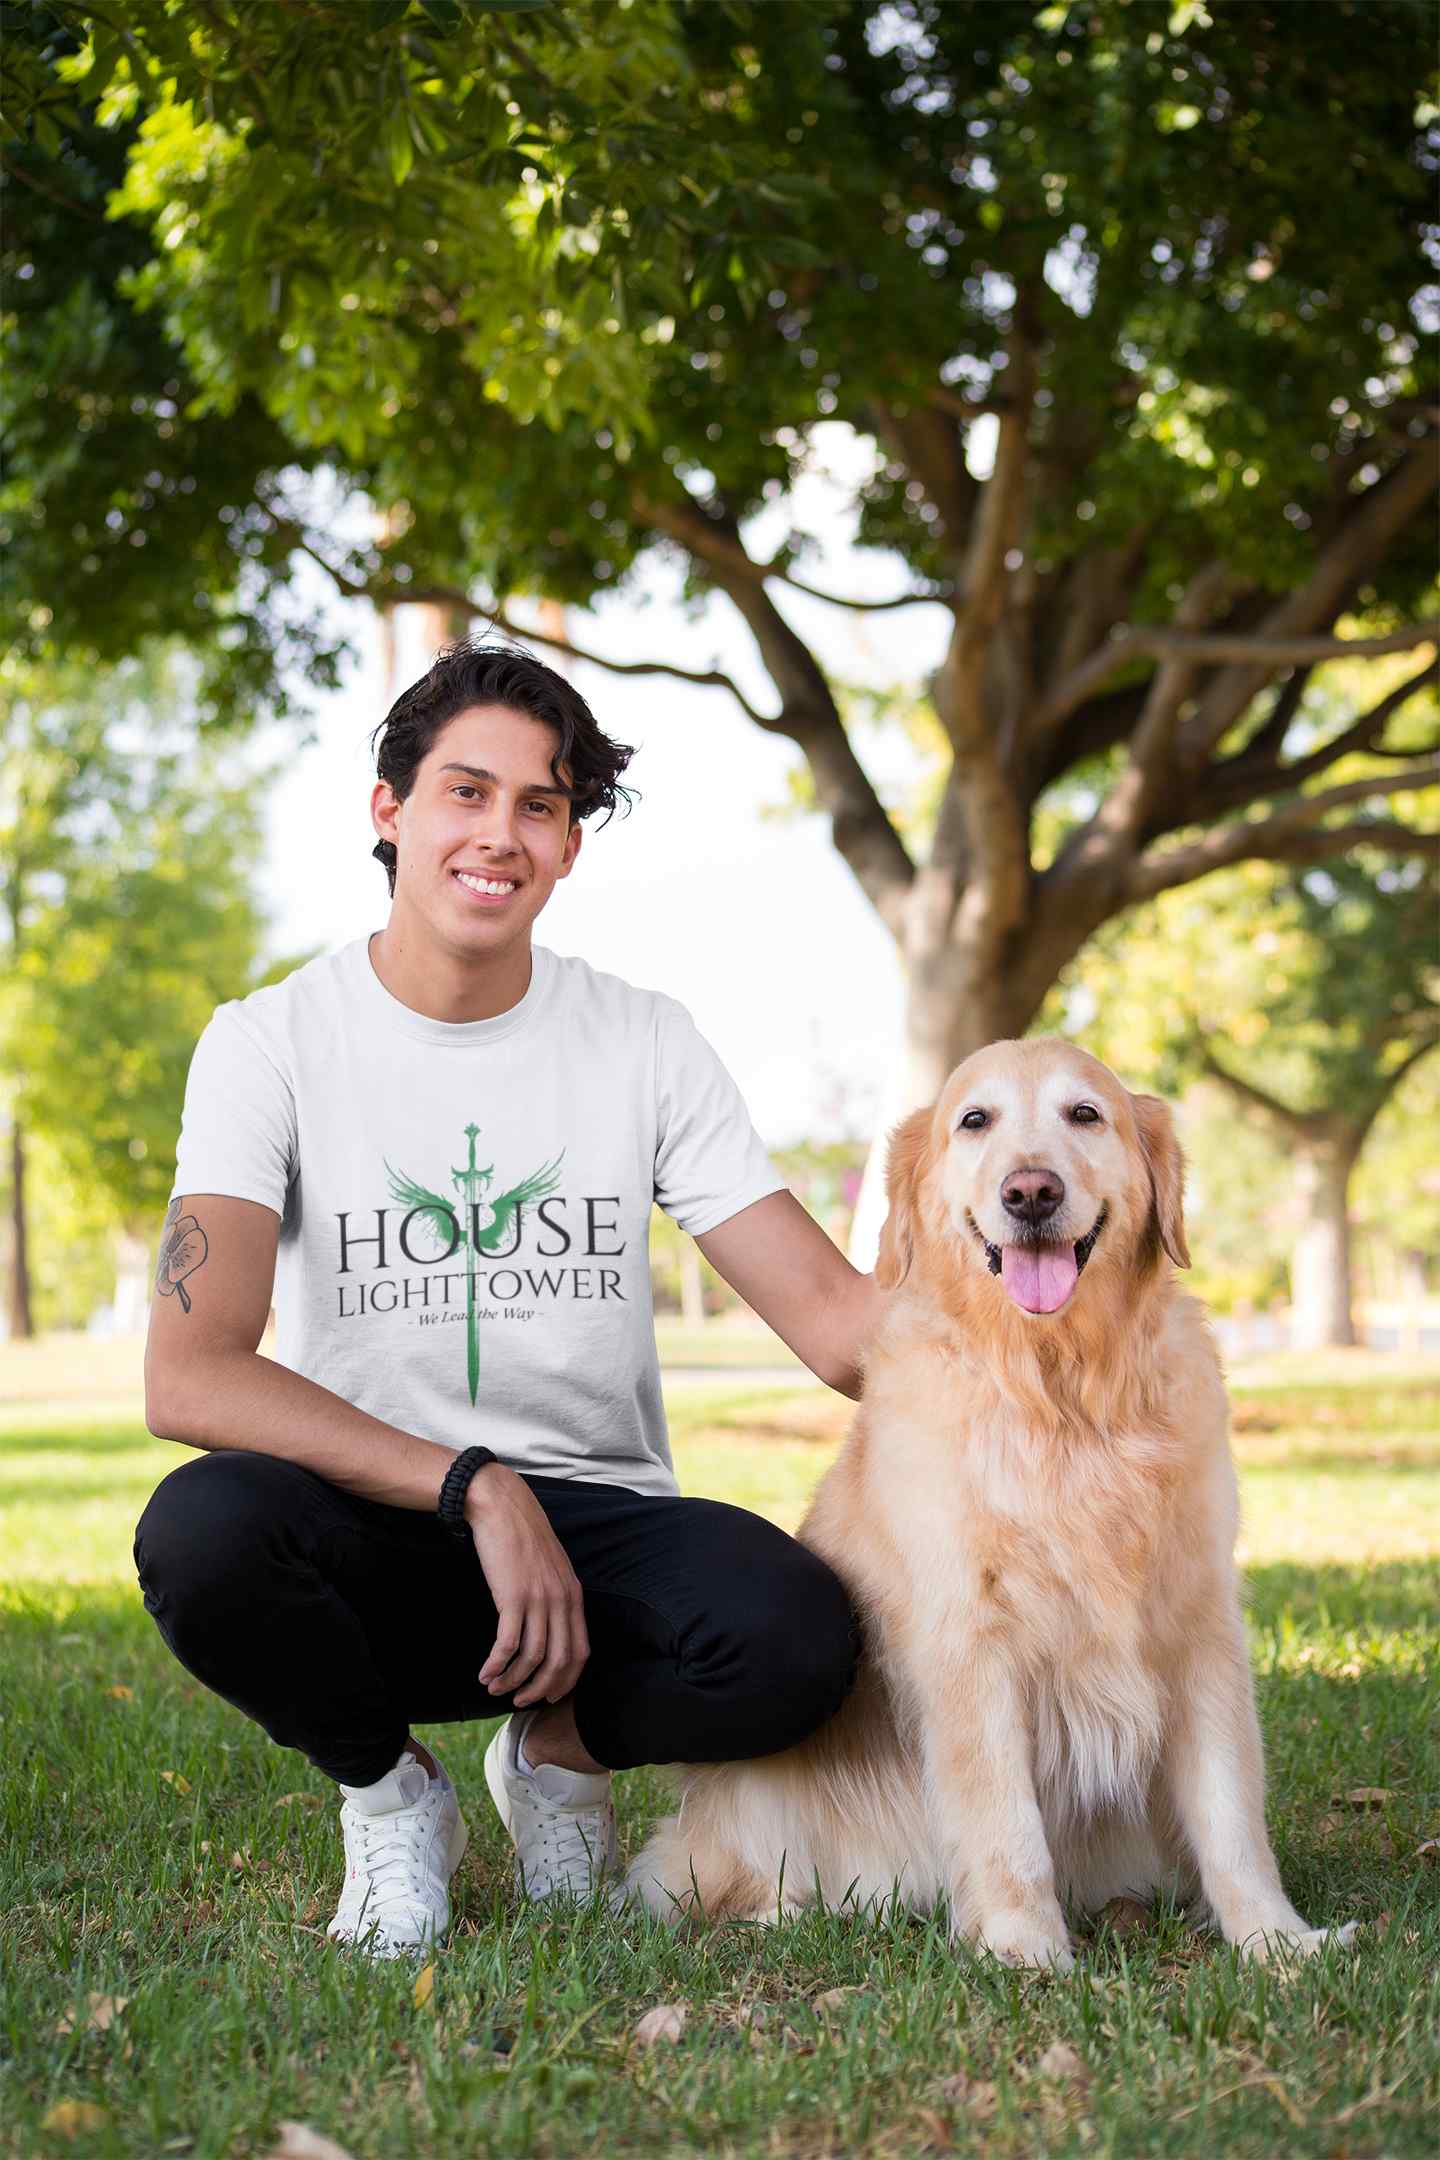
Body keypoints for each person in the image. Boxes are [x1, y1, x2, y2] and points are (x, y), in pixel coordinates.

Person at [136, 640, 881, 1960]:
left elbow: (837, 1324)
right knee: (202, 1534)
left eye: (542, 805)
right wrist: (476, 1483)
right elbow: (189, 1374)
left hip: (596, 1543)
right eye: (465, 793)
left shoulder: (644, 1040)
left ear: (572, 843)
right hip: (373, 1516)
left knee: (800, 1636)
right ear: (391, 810)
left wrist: (1051, 1286)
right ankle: (392, 1790)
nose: (502, 834)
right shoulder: (270, 1043)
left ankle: (559, 1752)